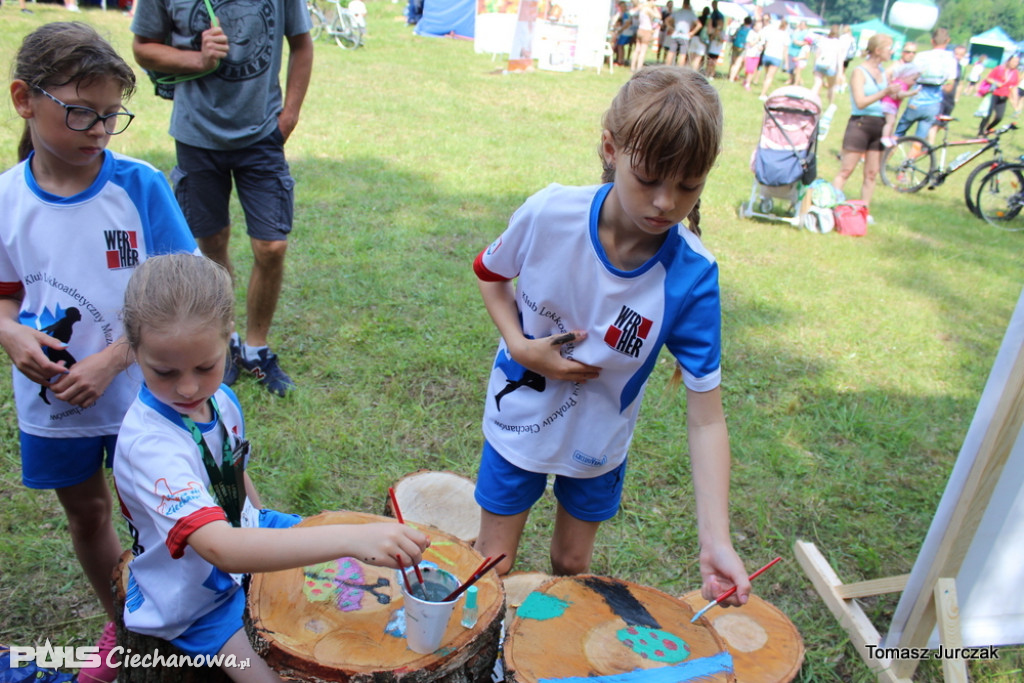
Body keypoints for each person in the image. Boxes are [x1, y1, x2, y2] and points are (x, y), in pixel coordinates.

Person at [470, 66, 751, 611]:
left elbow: (708, 417)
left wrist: (716, 539)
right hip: (518, 421)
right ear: (610, 148)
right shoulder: (551, 212)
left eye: (688, 186)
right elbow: (491, 274)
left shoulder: (691, 276)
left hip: (598, 444)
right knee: (494, 561)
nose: (665, 204)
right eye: (648, 179)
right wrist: (522, 348)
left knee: (573, 565)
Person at [114, 253, 430, 683]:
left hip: (247, 538)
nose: (187, 387)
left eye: (206, 366)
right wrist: (353, 539)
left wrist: (262, 523)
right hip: (196, 600)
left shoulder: (220, 399)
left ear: (228, 338)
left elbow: (232, 469)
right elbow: (219, 548)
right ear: (134, 351)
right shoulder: (150, 446)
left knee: (366, 587)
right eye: (164, 371)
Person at [0, 22, 197, 683]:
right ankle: (128, 624)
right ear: (24, 99)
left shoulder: (139, 187)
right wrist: (12, 333)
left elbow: (186, 287)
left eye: (112, 115)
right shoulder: (6, 199)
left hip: (146, 390)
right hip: (52, 401)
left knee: (159, 508)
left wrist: (114, 359)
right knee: (87, 511)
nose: (99, 129)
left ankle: (187, 613)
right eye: (81, 111)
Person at [131, 0, 314, 398]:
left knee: (272, 245)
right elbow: (143, 46)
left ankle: (256, 347)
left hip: (263, 133)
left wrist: (290, 115)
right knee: (211, 244)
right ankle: (225, 343)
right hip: (196, 135)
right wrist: (196, 59)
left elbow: (302, 43)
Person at [833, 33, 900, 222]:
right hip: (860, 123)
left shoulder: (883, 73)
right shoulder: (859, 72)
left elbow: (886, 100)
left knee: (871, 173)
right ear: (878, 50)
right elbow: (861, 101)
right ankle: (833, 206)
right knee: (846, 170)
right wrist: (884, 92)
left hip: (879, 125)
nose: (891, 52)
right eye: (889, 48)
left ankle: (864, 211)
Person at [893, 28, 957, 145]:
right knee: (919, 140)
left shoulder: (921, 56)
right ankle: (909, 161)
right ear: (948, 40)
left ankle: (884, 158)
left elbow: (910, 78)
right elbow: (949, 87)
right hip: (933, 103)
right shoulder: (951, 60)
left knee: (898, 134)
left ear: (932, 41)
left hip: (916, 100)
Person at [977, 54, 1021, 136]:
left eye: (1017, 62)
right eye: (1014, 61)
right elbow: (988, 78)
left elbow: (1014, 88)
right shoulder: (999, 68)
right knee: (987, 114)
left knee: (999, 117)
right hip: (994, 94)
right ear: (1008, 61)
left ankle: (988, 129)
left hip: (1004, 97)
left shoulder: (1015, 73)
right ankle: (980, 132)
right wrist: (996, 83)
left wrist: (1015, 101)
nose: (1015, 64)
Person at [880, 63, 921, 147]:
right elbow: (899, 94)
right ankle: (885, 137)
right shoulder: (899, 84)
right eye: (913, 79)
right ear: (905, 76)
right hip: (888, 105)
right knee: (890, 122)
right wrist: (911, 93)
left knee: (892, 122)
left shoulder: (903, 84)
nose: (914, 82)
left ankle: (889, 136)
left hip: (892, 106)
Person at [810, 24, 844, 106]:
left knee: (817, 83)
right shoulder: (839, 43)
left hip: (820, 64)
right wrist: (840, 72)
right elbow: (840, 59)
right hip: (831, 67)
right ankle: (830, 104)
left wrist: (814, 66)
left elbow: (817, 54)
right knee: (831, 87)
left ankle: (810, 100)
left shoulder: (823, 40)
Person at [758, 17, 790, 100]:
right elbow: (785, 50)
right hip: (776, 57)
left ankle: (763, 91)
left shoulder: (772, 33)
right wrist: (786, 63)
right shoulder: (785, 35)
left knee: (766, 75)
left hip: (767, 55)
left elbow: (766, 44)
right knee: (770, 77)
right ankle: (763, 94)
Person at [664, 0, 699, 67]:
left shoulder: (677, 12)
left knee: (671, 52)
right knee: (682, 54)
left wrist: (670, 28)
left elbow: (667, 20)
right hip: (685, 36)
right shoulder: (691, 14)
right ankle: (679, 70)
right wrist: (692, 33)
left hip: (675, 34)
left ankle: (666, 67)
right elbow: (699, 25)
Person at [630, 0, 661, 73]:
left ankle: (632, 67)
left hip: (640, 29)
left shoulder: (641, 8)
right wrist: (655, 8)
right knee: (642, 51)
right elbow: (658, 16)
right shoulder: (648, 9)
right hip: (646, 30)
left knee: (637, 49)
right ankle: (638, 68)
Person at [740, 16, 765, 92]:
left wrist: (761, 47)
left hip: (757, 55)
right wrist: (757, 40)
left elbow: (762, 44)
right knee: (748, 69)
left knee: (752, 70)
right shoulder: (751, 33)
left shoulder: (762, 34)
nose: (759, 28)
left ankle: (748, 83)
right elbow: (750, 44)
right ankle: (746, 80)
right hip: (750, 54)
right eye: (758, 26)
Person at [727, 16, 752, 82]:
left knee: (733, 62)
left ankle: (729, 75)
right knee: (737, 63)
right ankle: (732, 78)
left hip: (735, 45)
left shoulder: (740, 28)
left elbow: (733, 36)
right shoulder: (749, 31)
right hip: (742, 48)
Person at [686, 6, 711, 73]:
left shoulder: (698, 18)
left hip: (695, 38)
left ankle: (686, 71)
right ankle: (693, 73)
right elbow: (709, 30)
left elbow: (692, 26)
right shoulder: (708, 20)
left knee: (691, 57)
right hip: (702, 40)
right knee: (698, 58)